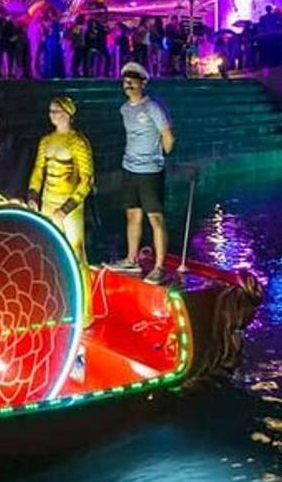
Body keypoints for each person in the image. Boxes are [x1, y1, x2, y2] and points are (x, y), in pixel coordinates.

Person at [28, 96, 94, 326]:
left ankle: (86, 310)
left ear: (68, 113)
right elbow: (38, 170)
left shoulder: (78, 142)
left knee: (76, 253)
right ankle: (54, 303)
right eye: (51, 110)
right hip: (47, 201)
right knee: (49, 252)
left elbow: (86, 179)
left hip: (69, 206)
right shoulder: (46, 141)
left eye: (57, 110)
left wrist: (67, 208)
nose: (53, 114)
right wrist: (32, 195)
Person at [110, 62, 175, 283]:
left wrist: (161, 157)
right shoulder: (124, 109)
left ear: (142, 82)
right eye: (125, 81)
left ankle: (159, 266)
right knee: (132, 214)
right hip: (130, 168)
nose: (127, 84)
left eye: (132, 80)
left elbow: (167, 135)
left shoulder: (153, 108)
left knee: (155, 218)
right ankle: (131, 258)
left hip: (150, 171)